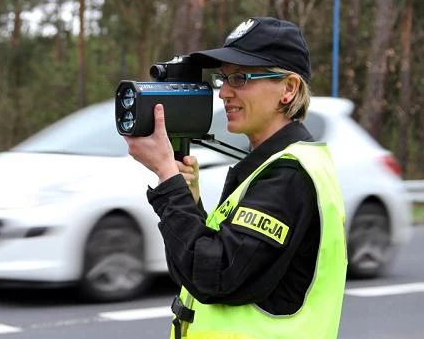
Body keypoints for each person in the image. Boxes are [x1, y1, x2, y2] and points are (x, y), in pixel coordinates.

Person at [123, 17, 347, 339]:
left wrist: (169, 182)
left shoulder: (288, 176)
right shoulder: (266, 168)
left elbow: (213, 277)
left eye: (241, 78)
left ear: (288, 89)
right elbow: (204, 263)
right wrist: (188, 200)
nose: (224, 93)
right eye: (223, 79)